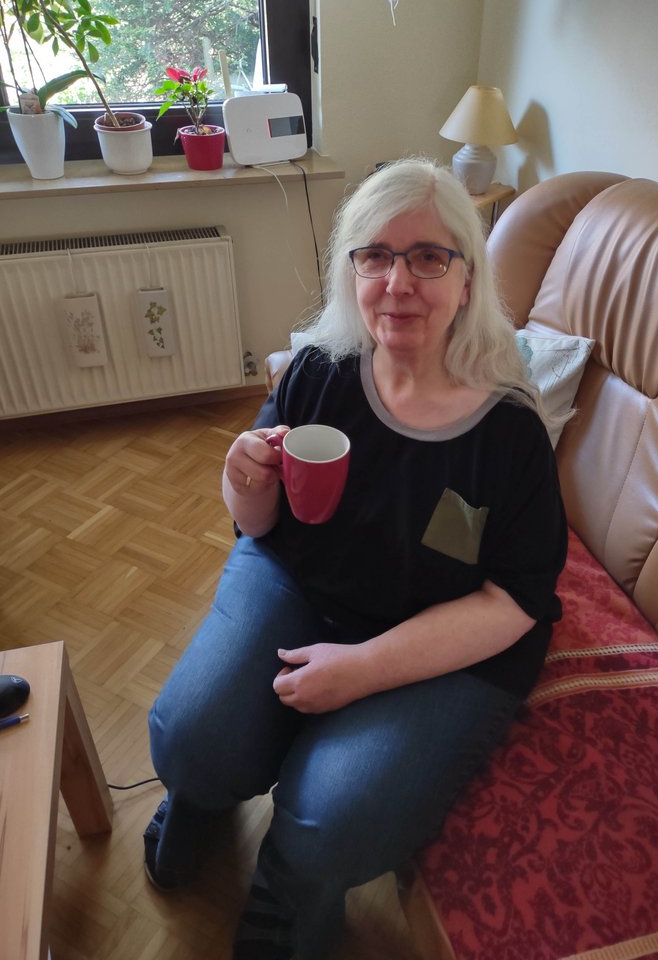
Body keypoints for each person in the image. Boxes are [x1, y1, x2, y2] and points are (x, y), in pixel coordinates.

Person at [144, 158, 568, 960]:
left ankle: (289, 883)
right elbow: (256, 525)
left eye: (428, 257)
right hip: (301, 581)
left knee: (330, 820)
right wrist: (241, 480)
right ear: (352, 270)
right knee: (189, 739)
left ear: (466, 280)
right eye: (375, 255)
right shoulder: (320, 371)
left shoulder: (509, 431)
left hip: (440, 638)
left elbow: (517, 599)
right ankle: (200, 797)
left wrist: (364, 669)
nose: (397, 282)